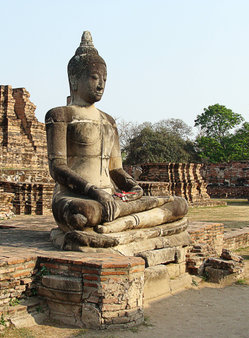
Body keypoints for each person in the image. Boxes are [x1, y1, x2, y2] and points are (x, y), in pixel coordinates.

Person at [45, 31, 187, 235]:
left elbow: (115, 170)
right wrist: (93, 192)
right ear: (74, 79)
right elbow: (57, 168)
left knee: (178, 204)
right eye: (94, 77)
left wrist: (134, 187)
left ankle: (118, 225)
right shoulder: (60, 115)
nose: (101, 84)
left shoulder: (108, 121)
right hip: (74, 197)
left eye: (104, 78)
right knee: (84, 213)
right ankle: (130, 224)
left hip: (111, 197)